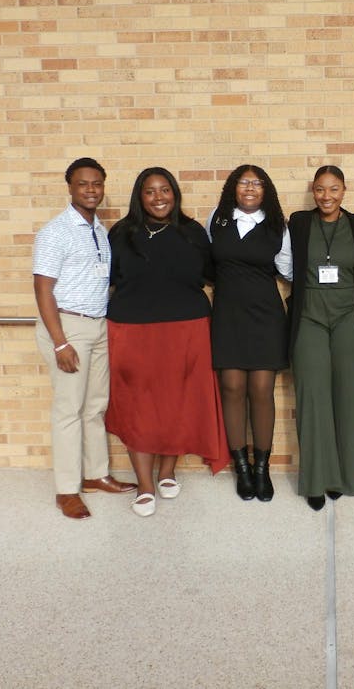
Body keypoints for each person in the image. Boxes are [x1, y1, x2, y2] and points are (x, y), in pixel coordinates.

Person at [105, 167, 230, 517]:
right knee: (137, 405)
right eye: (150, 191)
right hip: (133, 330)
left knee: (177, 401)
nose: (159, 197)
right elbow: (109, 279)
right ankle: (144, 484)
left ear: (175, 194)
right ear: (139, 196)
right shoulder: (122, 233)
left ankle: (166, 472)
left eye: (165, 190)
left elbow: (211, 274)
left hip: (186, 329)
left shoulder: (192, 232)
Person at [33, 157, 137, 519]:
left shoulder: (100, 230)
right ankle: (66, 490)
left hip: (98, 326)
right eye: (83, 184)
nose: (91, 190)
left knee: (95, 406)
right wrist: (60, 342)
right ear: (70, 187)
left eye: (96, 184)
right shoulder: (55, 231)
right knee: (68, 410)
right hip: (68, 327)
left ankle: (96, 474)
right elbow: (43, 289)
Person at [288, 166, 354, 511]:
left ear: (344, 191)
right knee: (312, 395)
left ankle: (342, 478)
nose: (327, 196)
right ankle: (315, 479)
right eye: (320, 190)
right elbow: (284, 261)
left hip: (347, 315)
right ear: (313, 191)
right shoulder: (298, 223)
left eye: (334, 189)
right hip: (309, 313)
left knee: (346, 395)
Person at [206, 165, 292, 502]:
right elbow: (208, 262)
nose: (250, 188)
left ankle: (261, 469)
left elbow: (287, 269)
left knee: (260, 388)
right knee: (231, 386)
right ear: (233, 188)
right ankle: (241, 468)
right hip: (228, 313)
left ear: (266, 189)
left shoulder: (276, 225)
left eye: (257, 183)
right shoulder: (218, 218)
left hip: (265, 316)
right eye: (244, 182)